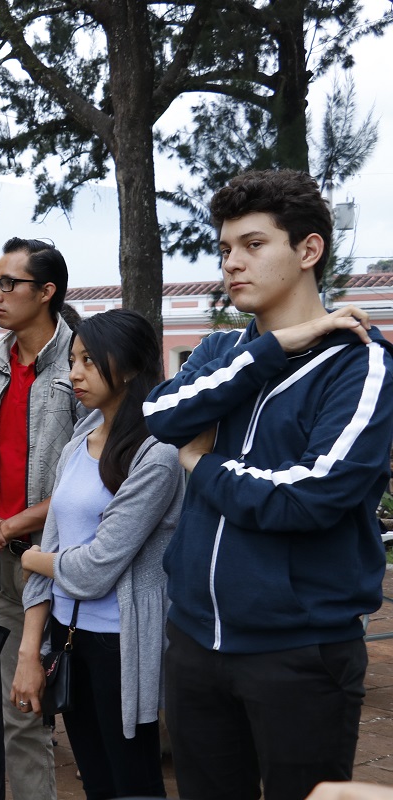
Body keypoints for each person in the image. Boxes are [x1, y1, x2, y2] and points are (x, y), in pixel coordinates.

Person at [143, 170, 393, 800]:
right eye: (225, 249)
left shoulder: (361, 362)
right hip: (194, 638)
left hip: (300, 650)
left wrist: (202, 465)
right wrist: (272, 348)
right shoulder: (224, 348)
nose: (232, 263)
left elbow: (306, 498)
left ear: (308, 251)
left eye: (253, 245)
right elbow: (160, 416)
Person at [12, 309, 182, 799]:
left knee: (133, 782)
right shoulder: (78, 444)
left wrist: (29, 558)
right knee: (95, 777)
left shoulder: (156, 455)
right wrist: (30, 648)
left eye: (89, 360)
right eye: (73, 360)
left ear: (127, 367)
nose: (75, 373)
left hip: (121, 641)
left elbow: (92, 571)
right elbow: (62, 549)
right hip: (69, 636)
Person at [0, 238, 76, 800]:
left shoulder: (80, 362)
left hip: (68, 560)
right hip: (3, 558)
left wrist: (10, 523)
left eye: (10, 284)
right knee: (16, 709)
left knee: (88, 707)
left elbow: (91, 475)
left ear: (46, 292)